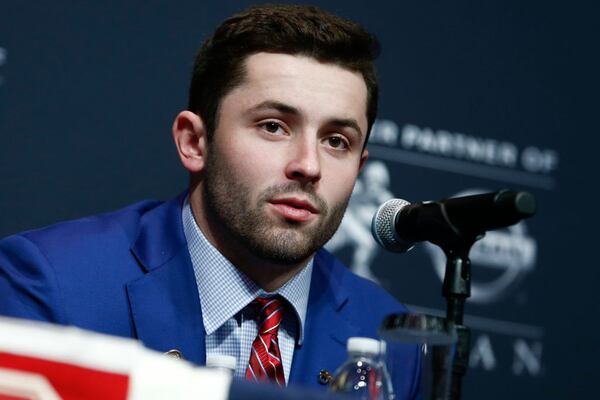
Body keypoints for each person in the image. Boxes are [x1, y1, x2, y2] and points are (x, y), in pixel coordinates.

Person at [0, 4, 420, 397]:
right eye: (273, 126)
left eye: (335, 141)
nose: (309, 166)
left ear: (360, 167)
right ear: (194, 142)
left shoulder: (389, 336)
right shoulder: (51, 284)